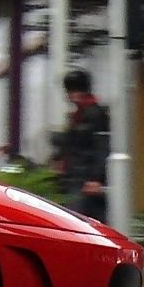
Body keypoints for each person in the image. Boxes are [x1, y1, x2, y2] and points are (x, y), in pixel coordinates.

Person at [54, 69, 110, 222]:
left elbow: (102, 146)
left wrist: (96, 178)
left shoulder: (95, 114)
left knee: (80, 220)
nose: (71, 96)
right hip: (75, 176)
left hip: (85, 178)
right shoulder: (78, 115)